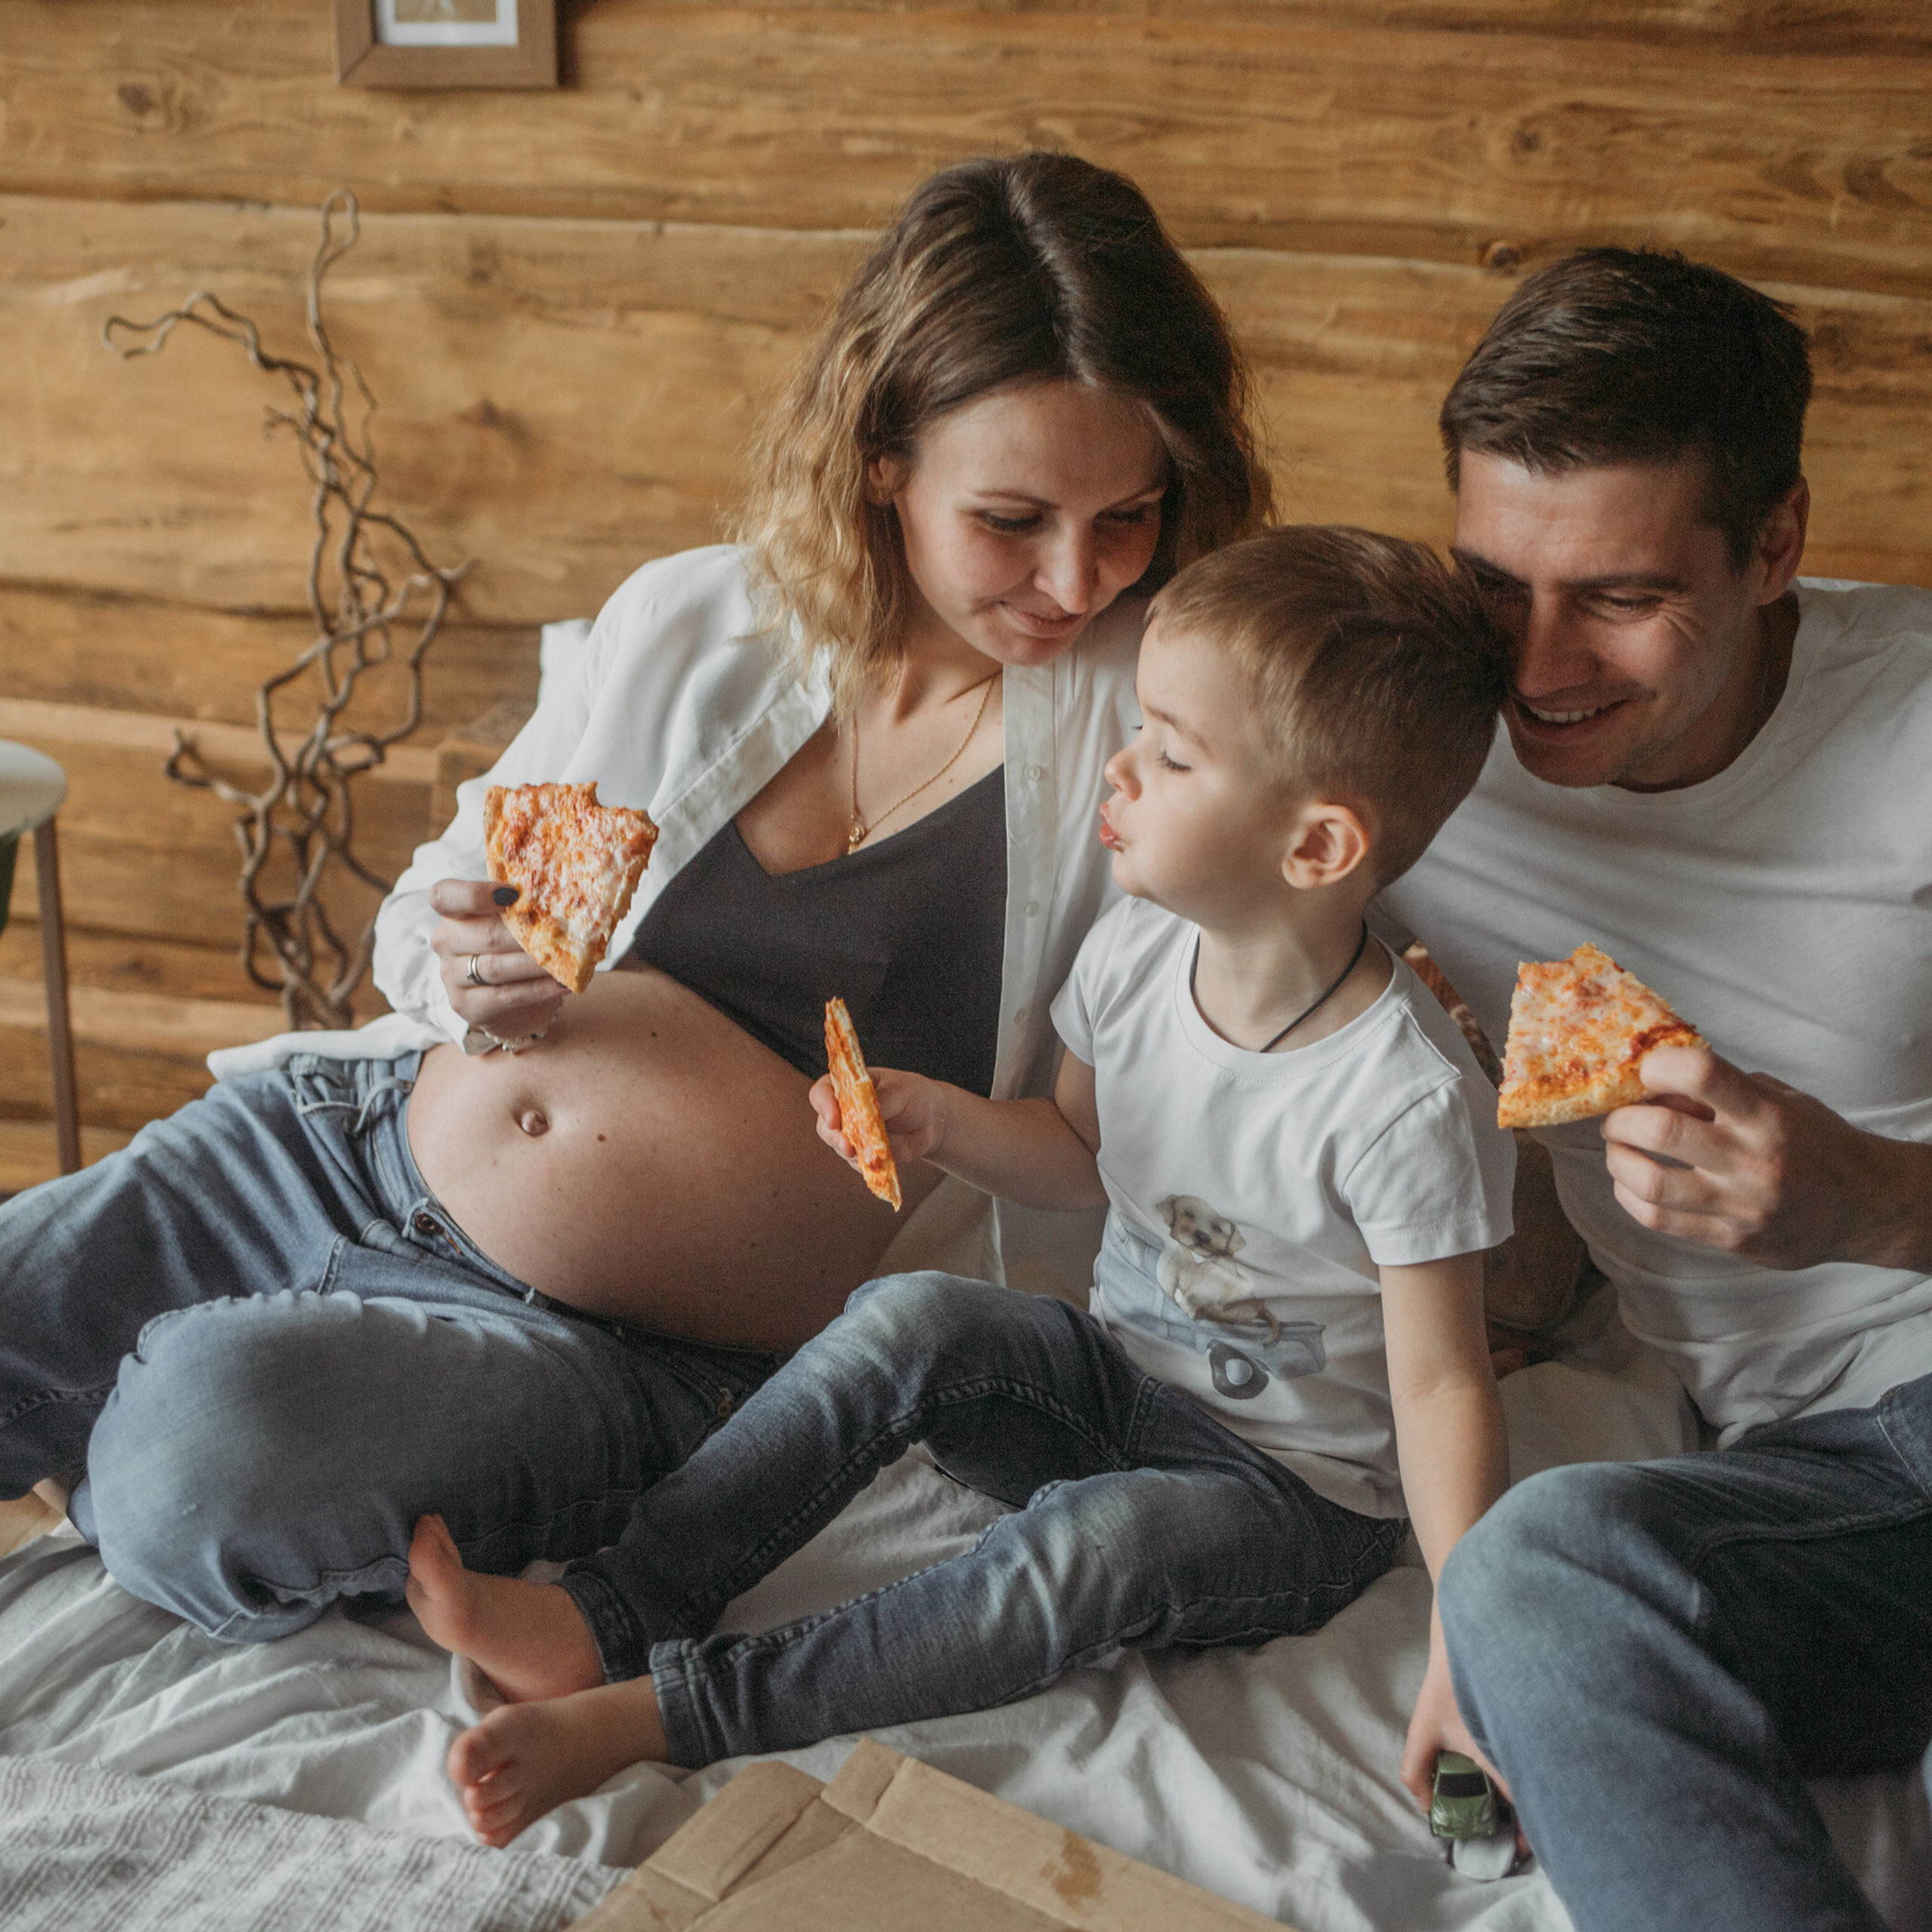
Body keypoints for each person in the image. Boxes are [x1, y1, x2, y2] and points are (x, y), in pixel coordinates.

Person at [0, 152, 1273, 1641]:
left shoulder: (1167, 730)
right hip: (332, 1148)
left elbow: (1224, 1044)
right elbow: (434, 903)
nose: (1073, 578)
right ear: (882, 458)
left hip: (643, 1351)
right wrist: (459, 953)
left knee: (195, 1461)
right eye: (1011, 520)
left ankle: (199, 1417)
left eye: (1125, 515)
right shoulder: (697, 618)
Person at [402, 524, 1519, 1848]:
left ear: (1320, 846)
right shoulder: (1136, 954)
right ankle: (608, 1610)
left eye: (1171, 752)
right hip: (1105, 1379)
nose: (1121, 764)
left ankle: (672, 1711)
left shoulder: (1405, 1098)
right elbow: (1082, 1152)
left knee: (1090, 1552)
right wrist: (940, 1125)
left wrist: (1475, 1632)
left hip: (1287, 1495)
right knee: (910, 1320)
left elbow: (1443, 1384)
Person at [1370, 248, 1932, 1930]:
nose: (1531, 665)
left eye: (1613, 595)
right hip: (1819, 1500)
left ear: (1771, 546)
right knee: (1527, 1577)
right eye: (1491, 582)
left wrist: (1876, 1202)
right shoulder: (1394, 763)